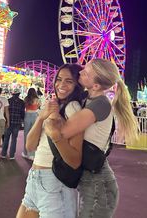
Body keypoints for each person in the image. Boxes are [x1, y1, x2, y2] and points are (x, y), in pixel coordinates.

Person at [45, 58, 138, 218]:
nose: (80, 71)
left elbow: (63, 132)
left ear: (96, 86)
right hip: (92, 177)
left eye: (85, 73)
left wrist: (52, 115)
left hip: (99, 184)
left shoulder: (100, 103)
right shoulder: (87, 98)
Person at [16, 63, 85, 218]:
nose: (61, 85)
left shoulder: (73, 108)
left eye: (69, 81)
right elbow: (30, 146)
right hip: (35, 178)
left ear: (78, 84)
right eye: (59, 79)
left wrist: (56, 136)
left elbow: (75, 160)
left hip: (53, 181)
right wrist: (41, 117)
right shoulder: (54, 106)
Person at [1, 89, 25, 160]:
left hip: (8, 122)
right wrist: (22, 120)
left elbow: (5, 112)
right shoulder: (22, 102)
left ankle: (3, 154)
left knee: (6, 138)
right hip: (17, 122)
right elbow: (22, 113)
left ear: (12, 94)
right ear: (19, 94)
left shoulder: (8, 101)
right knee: (14, 139)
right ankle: (12, 155)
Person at [22, 88, 40, 160]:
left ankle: (25, 152)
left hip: (27, 115)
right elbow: (38, 106)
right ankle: (32, 154)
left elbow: (24, 107)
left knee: (26, 134)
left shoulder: (26, 99)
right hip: (35, 116)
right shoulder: (37, 99)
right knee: (34, 134)